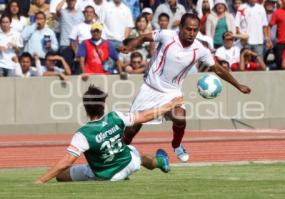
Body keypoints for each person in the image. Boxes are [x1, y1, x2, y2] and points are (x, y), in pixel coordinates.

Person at [119, 13, 251, 162]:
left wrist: (238, 85)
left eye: (195, 30)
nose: (192, 33)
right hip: (150, 89)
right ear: (180, 27)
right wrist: (129, 47)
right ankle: (117, 154)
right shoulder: (167, 35)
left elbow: (218, 68)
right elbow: (143, 37)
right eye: (188, 29)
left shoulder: (200, 49)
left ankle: (176, 144)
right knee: (131, 129)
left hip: (171, 92)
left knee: (180, 118)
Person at [34, 85, 184, 184]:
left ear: (86, 108)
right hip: (129, 164)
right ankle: (160, 162)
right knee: (138, 156)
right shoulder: (116, 117)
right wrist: (169, 105)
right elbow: (144, 116)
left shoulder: (83, 134)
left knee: (61, 176)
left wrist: (40, 180)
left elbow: (67, 161)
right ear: (103, 106)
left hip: (107, 176)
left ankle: (155, 162)